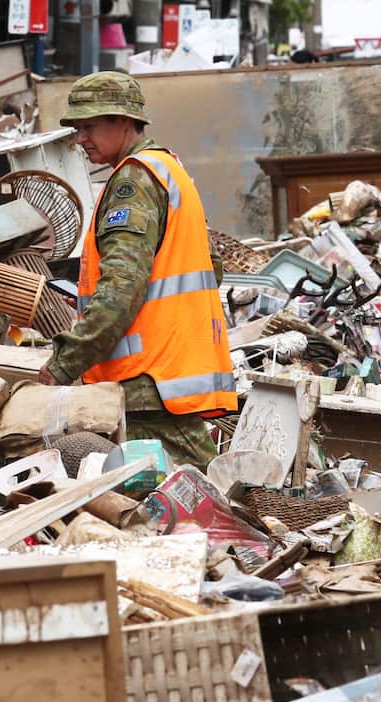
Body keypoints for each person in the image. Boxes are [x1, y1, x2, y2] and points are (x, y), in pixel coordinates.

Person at [38, 71, 236, 468]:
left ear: (123, 121)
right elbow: (211, 266)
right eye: (77, 128)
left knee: (195, 501)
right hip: (170, 371)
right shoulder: (169, 169)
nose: (80, 138)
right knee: (194, 493)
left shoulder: (134, 181)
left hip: (149, 380)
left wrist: (63, 365)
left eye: (89, 126)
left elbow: (119, 292)